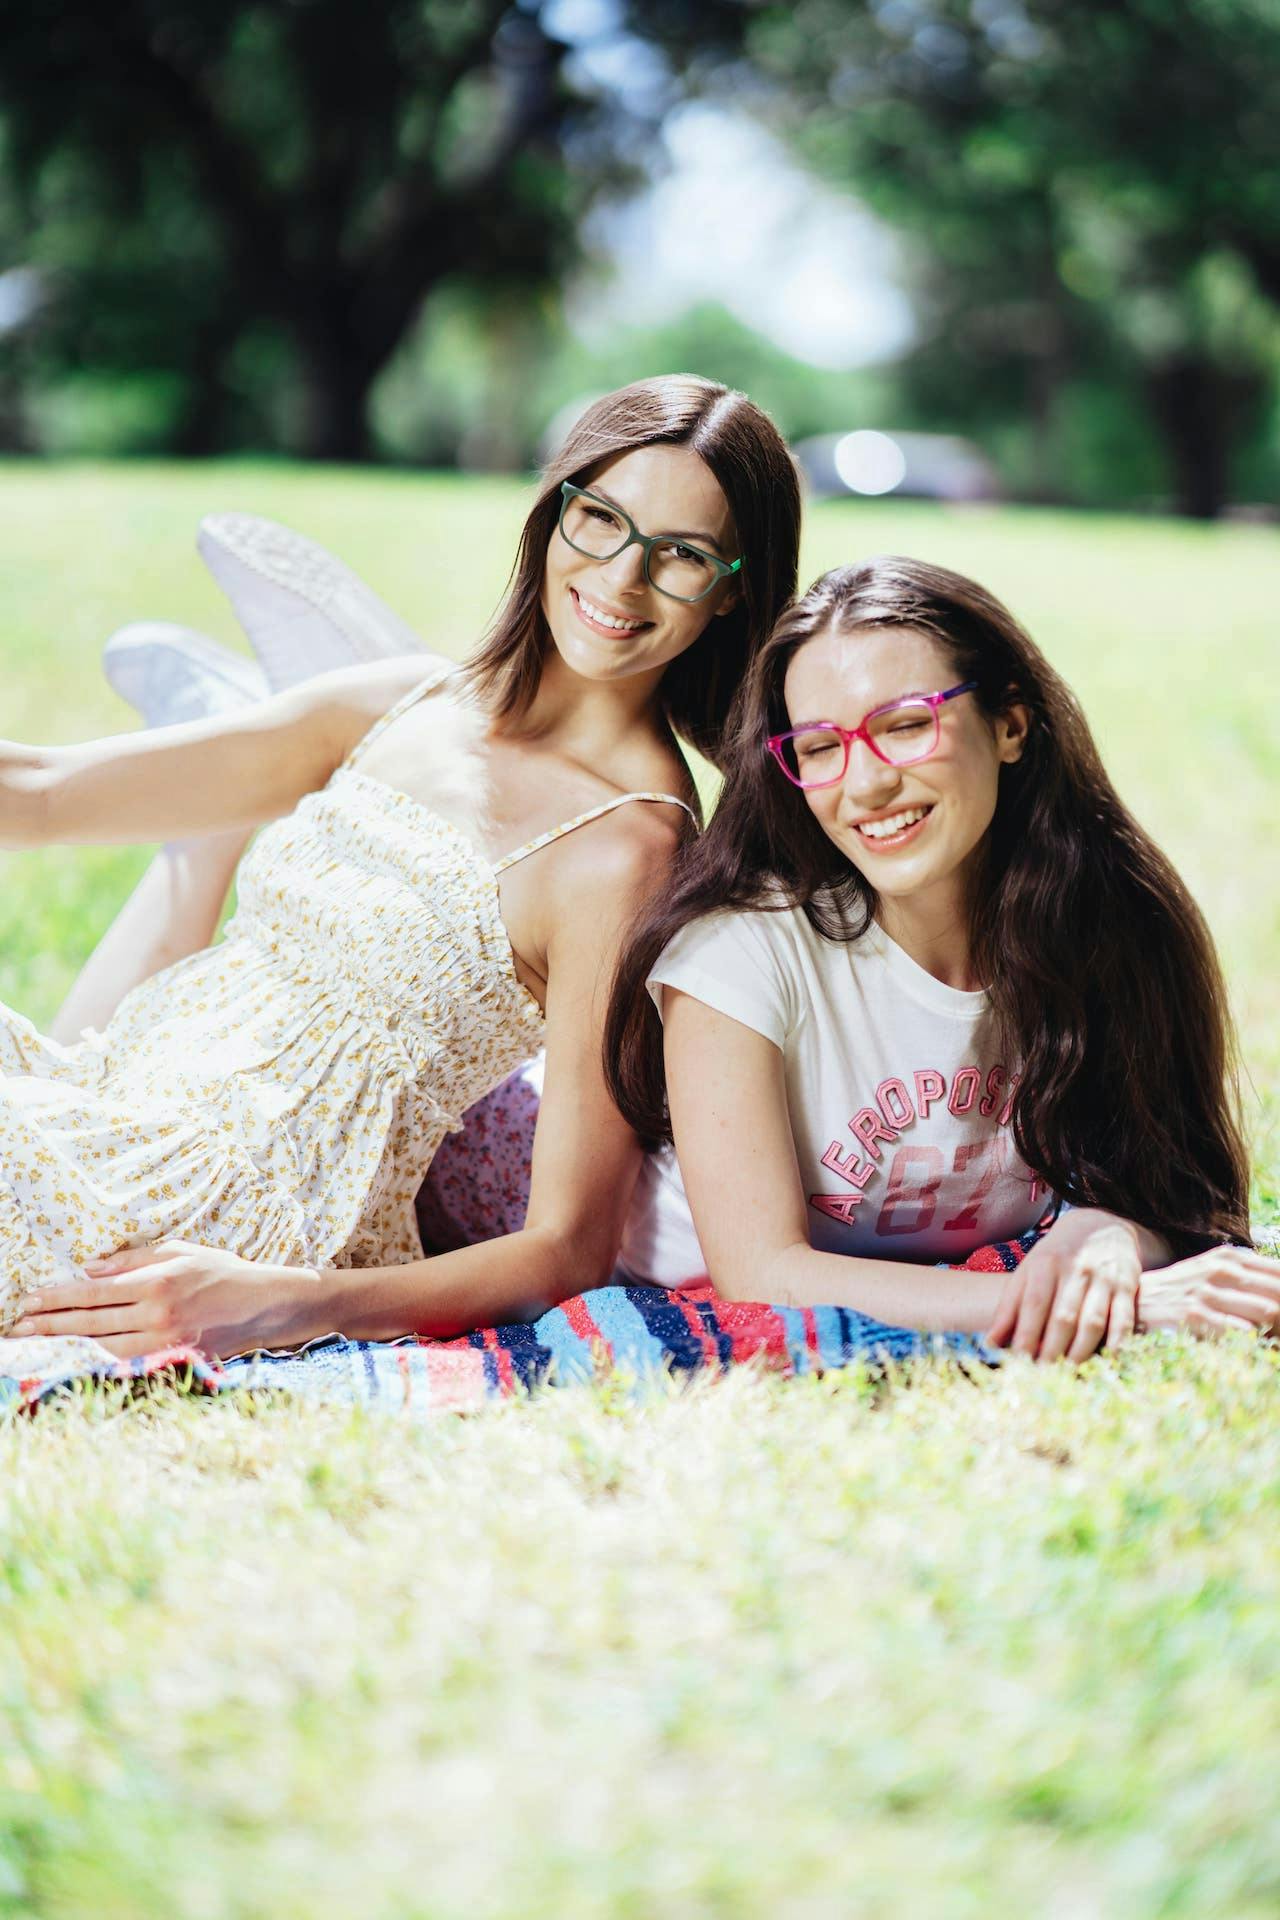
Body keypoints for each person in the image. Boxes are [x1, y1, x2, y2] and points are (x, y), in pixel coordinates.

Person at [0, 374, 798, 1363]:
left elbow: (566, 1249)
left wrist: (280, 1306)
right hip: (110, 1104)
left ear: (731, 589)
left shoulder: (628, 853)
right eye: (600, 519)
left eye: (680, 554)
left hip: (234, 1219)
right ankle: (199, 831)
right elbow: (41, 793)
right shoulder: (404, 703)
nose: (622, 579)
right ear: (554, 511)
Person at [607, 556, 1280, 1362]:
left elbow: (1168, 1189)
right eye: (819, 747)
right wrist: (1112, 1307)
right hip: (531, 1170)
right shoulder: (737, 956)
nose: (865, 786)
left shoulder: (1112, 923)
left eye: (904, 726)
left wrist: (1104, 1239)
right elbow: (763, 1273)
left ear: (1011, 724)